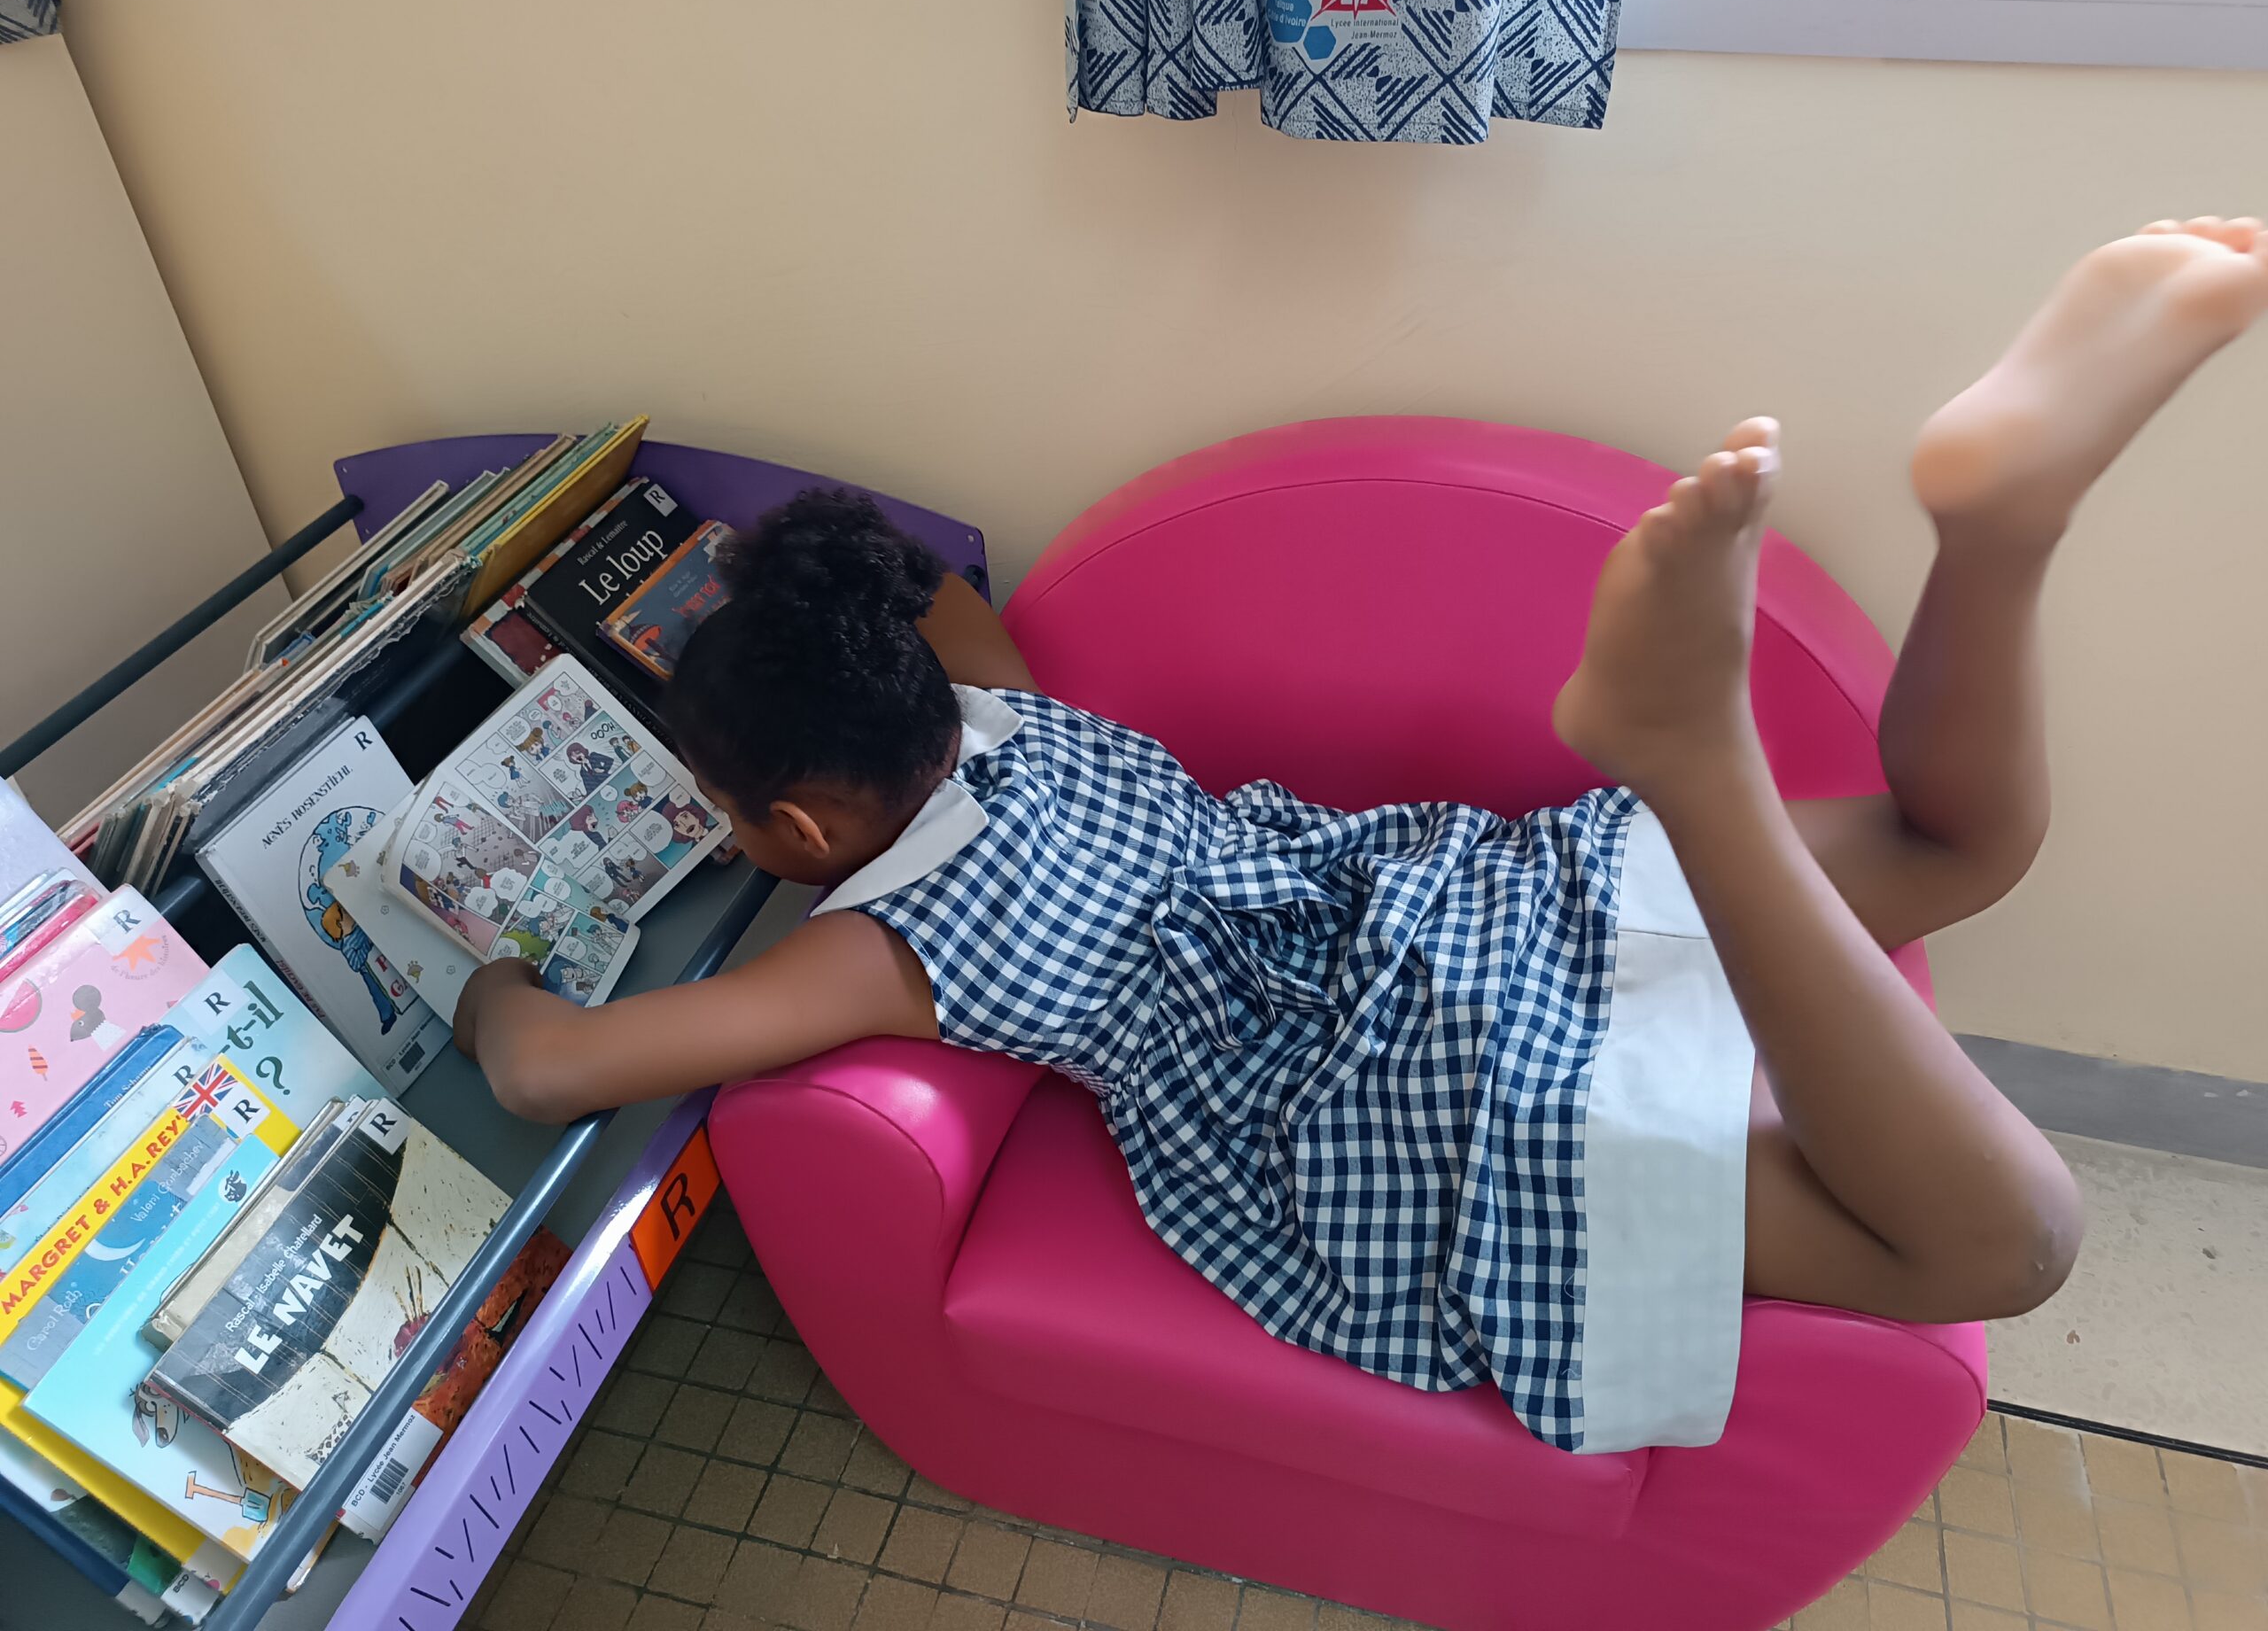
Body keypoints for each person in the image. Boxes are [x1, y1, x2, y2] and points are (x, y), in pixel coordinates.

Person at [455, 220, 2268, 1452]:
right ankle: (1998, 529)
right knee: (1957, 849)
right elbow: (900, 567)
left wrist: (472, 968)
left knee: (2007, 1245)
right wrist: (753, 566)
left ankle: (1692, 758)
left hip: (1396, 1091)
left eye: (727, 810)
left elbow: (553, 1068)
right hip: (1451, 890)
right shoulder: (1010, 700)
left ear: (788, 823)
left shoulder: (873, 952)